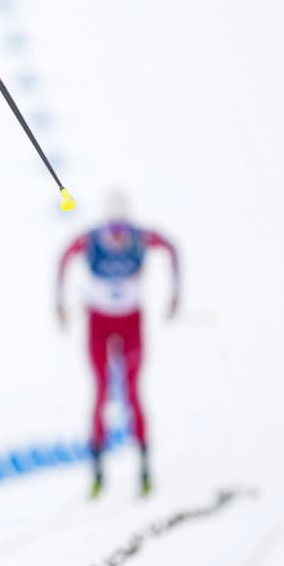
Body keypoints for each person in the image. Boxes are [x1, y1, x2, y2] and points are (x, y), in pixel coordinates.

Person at [56, 191, 180, 497]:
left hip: (130, 323)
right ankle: (97, 471)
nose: (117, 237)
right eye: (113, 230)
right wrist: (58, 301)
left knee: (132, 392)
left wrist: (176, 293)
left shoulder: (140, 238)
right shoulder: (91, 239)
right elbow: (64, 257)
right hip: (99, 323)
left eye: (122, 229)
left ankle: (144, 468)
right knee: (100, 392)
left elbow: (172, 249)